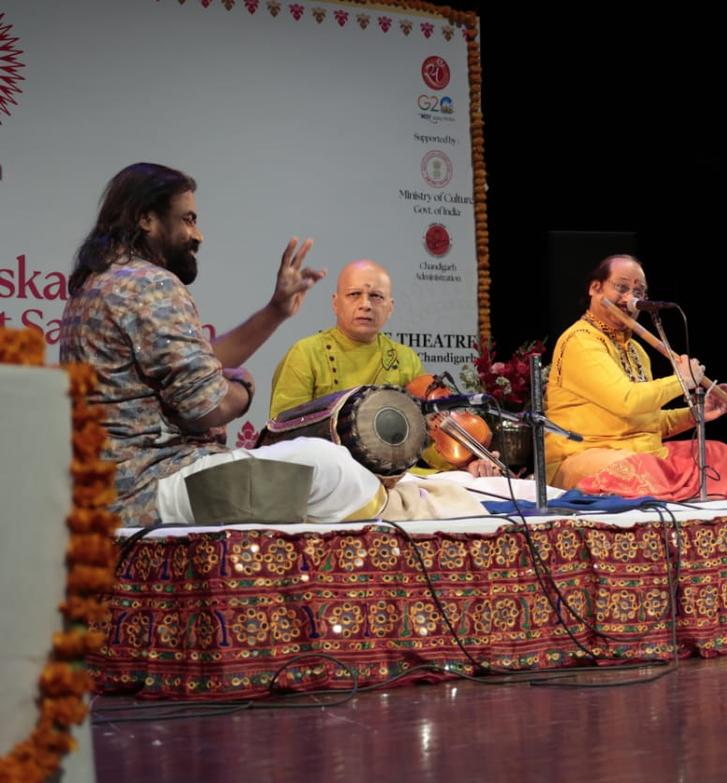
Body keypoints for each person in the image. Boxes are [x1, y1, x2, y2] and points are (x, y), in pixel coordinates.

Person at [59, 163, 482, 526]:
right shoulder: (150, 284)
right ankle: (415, 515)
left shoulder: (96, 285)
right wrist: (242, 388)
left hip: (112, 489)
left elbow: (198, 363)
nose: (198, 234)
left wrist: (277, 309)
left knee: (321, 464)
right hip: (155, 487)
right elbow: (207, 406)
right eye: (187, 219)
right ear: (146, 219)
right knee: (334, 466)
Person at [544, 254, 727, 498]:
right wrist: (682, 381)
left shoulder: (637, 351)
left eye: (639, 292)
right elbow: (628, 402)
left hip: (644, 455)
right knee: (638, 469)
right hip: (584, 457)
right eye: (621, 287)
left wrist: (695, 414)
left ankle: (676, 492)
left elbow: (649, 422)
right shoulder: (580, 341)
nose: (630, 299)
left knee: (718, 454)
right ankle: (674, 492)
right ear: (595, 288)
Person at [268, 258, 503, 477]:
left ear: (390, 308)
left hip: (397, 477)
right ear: (335, 303)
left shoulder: (404, 358)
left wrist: (466, 463)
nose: (365, 305)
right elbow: (283, 436)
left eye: (376, 296)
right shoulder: (306, 354)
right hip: (329, 476)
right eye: (354, 294)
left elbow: (429, 441)